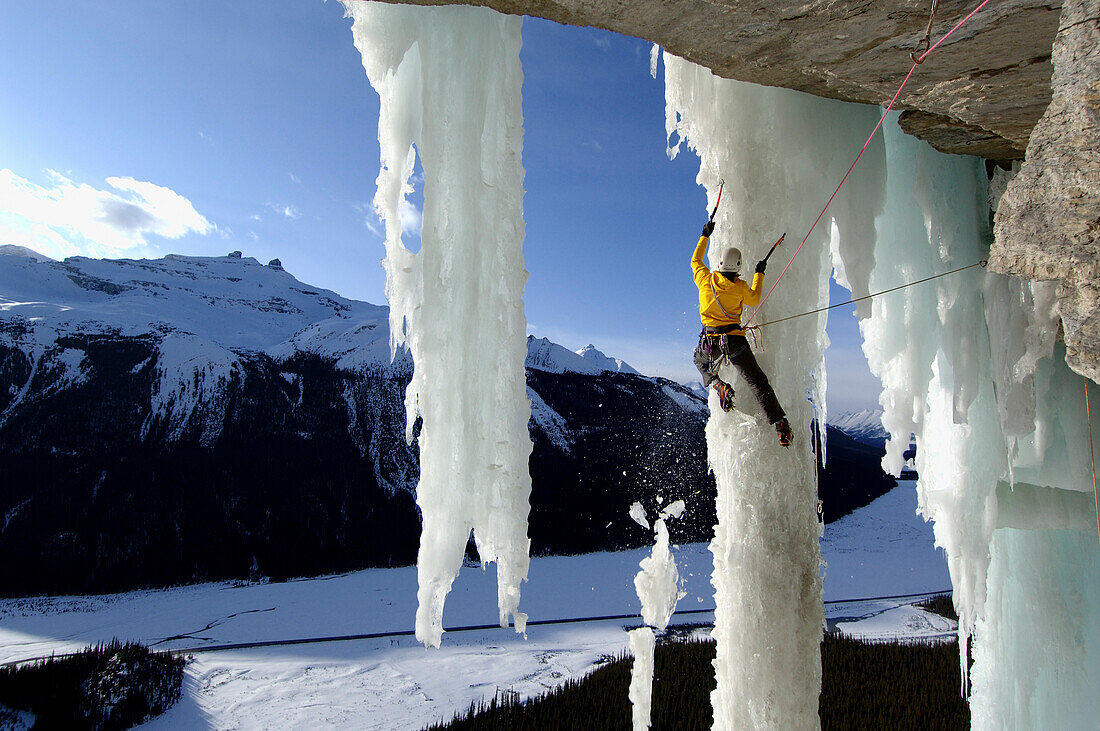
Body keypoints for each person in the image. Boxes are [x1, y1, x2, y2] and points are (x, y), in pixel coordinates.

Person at [692, 220, 793, 447]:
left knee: (700, 362)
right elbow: (755, 299)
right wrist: (759, 273)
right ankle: (781, 424)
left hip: (711, 342)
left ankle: (718, 385)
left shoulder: (705, 279)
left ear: (719, 264)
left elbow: (695, 260)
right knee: (758, 381)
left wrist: (705, 235)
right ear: (737, 266)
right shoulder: (740, 287)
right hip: (735, 341)